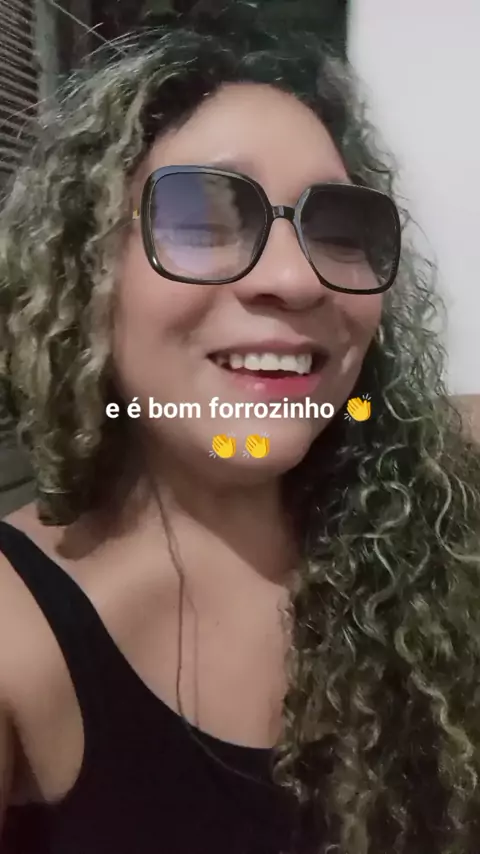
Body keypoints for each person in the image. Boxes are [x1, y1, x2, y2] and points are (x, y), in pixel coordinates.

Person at [1, 2, 480, 853]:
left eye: (340, 228)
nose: (297, 280)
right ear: (87, 268)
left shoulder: (436, 520)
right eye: (204, 217)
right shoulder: (17, 633)